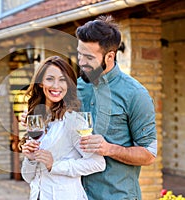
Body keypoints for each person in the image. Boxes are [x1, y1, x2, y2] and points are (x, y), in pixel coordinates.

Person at [76, 15, 157, 199]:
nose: (81, 62)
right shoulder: (77, 87)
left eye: (89, 57)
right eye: (79, 54)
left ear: (110, 56)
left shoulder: (135, 94)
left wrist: (109, 149)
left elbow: (149, 154)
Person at [19, 56, 106, 200]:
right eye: (50, 79)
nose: (56, 85)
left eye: (62, 80)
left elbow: (97, 163)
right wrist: (30, 159)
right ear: (40, 83)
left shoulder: (73, 121)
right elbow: (29, 178)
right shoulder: (36, 121)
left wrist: (54, 165)